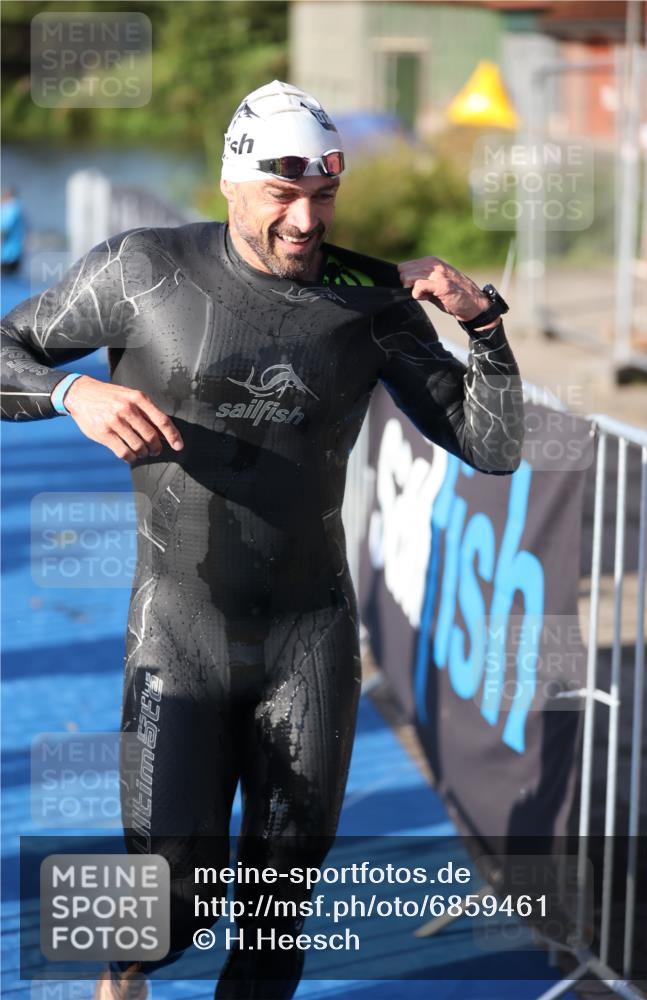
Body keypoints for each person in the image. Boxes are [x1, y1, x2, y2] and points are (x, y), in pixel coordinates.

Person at [1, 80, 524, 999]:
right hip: (179, 635)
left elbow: (493, 445)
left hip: (309, 637)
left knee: (277, 915)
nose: (304, 221)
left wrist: (482, 325)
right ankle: (126, 970)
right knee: (175, 903)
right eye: (282, 195)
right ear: (231, 183)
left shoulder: (372, 299)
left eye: (324, 196)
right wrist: (72, 392)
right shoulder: (142, 269)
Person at [1, 187, 26, 274]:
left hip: (8, 254)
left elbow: (4, 231)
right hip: (17, 252)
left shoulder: (11, 208)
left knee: (7, 276)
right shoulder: (19, 207)